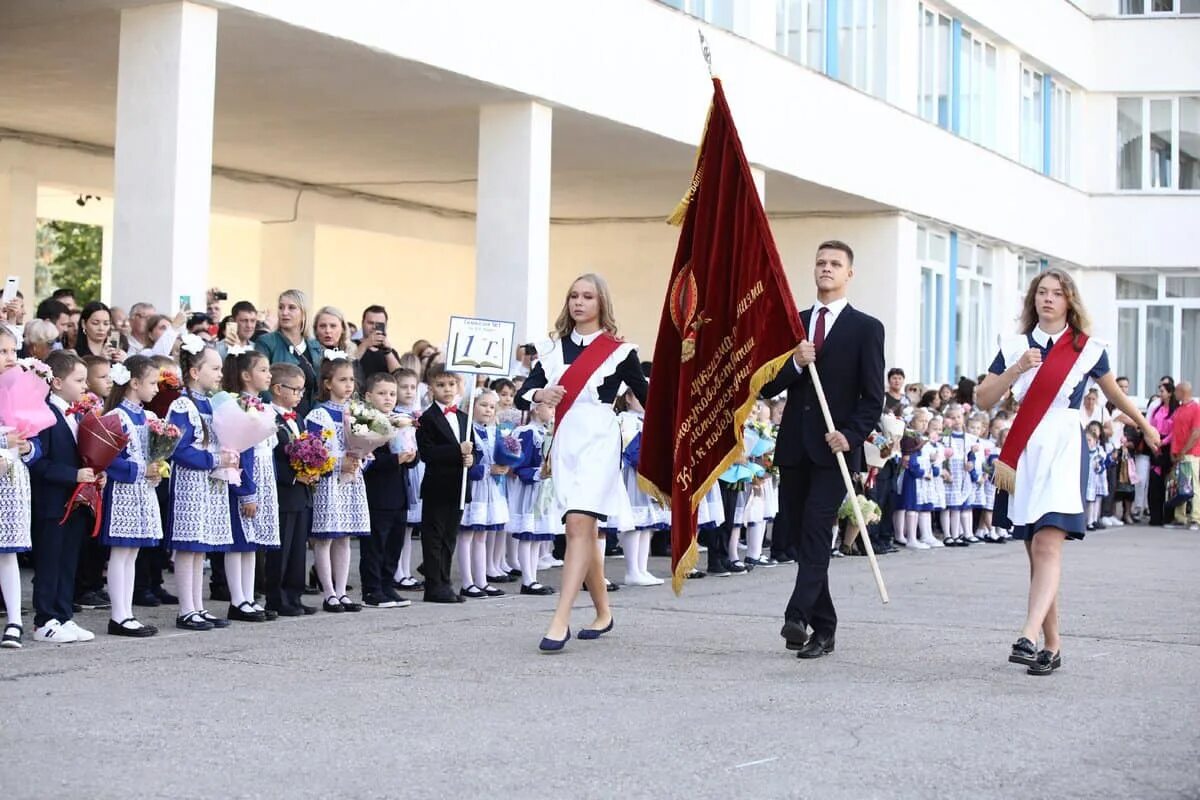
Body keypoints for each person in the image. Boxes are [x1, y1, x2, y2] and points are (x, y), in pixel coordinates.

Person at [976, 268, 1160, 676]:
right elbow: (984, 399)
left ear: (1069, 301)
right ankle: (1053, 645)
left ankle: (1027, 634)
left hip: (1063, 444)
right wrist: (1016, 370)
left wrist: (1144, 424)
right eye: (1042, 292)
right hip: (1023, 449)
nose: (1048, 299)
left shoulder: (1087, 348)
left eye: (1057, 294)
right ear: (1033, 299)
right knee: (1034, 551)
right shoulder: (1013, 346)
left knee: (1047, 546)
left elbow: (1114, 393)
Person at [760, 240, 885, 660]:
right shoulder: (794, 324)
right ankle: (825, 628)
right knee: (799, 537)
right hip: (795, 446)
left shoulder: (866, 328)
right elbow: (766, 383)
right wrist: (794, 362)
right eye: (820, 263)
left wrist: (850, 434)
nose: (826, 269)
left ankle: (797, 615)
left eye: (835, 264)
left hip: (835, 450)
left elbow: (873, 397)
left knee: (817, 529)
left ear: (849, 273)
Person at [515, 272, 648, 652]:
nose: (579, 302)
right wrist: (542, 392)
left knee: (578, 524)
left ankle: (560, 619)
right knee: (584, 533)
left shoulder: (621, 351)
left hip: (599, 444)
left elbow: (647, 395)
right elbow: (525, 393)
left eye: (588, 296)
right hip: (565, 444)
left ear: (601, 303)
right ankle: (603, 612)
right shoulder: (552, 348)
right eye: (574, 295)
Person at [168, 338, 239, 631]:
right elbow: (179, 448)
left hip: (210, 484)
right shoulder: (183, 404)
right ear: (195, 372)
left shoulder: (211, 403)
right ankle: (186, 609)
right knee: (189, 546)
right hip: (190, 484)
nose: (220, 374)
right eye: (215, 368)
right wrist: (214, 459)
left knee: (201, 547)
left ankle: (197, 605)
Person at [29, 351, 99, 643]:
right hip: (52, 502)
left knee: (69, 560)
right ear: (56, 382)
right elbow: (38, 463)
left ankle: (63, 614)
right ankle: (44, 619)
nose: (85, 385)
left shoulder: (77, 414)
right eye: (79, 380)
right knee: (50, 562)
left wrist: (95, 471)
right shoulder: (44, 414)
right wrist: (74, 475)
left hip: (76, 502)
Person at [98, 355, 164, 637]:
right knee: (121, 552)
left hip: (142, 491)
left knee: (132, 553)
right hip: (123, 492)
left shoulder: (148, 416)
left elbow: (153, 453)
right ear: (134, 383)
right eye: (152, 383)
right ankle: (118, 615)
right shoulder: (116, 417)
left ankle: (127, 613)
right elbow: (108, 460)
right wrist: (141, 468)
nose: (157, 389)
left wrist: (158, 469)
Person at [305, 355, 369, 613]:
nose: (349, 385)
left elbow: (366, 444)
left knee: (344, 537)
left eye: (351, 379)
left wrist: (362, 457)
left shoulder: (358, 412)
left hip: (351, 480)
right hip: (329, 483)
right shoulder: (319, 414)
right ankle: (328, 592)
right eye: (342, 380)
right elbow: (313, 452)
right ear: (328, 383)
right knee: (326, 538)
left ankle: (342, 591)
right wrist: (336, 463)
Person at [222, 348, 282, 622]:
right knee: (239, 542)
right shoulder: (238, 406)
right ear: (246, 375)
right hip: (245, 480)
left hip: (263, 479)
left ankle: (249, 597)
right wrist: (246, 491)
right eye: (263, 370)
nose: (268, 375)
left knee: (252, 543)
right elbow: (240, 450)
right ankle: (237, 599)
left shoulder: (264, 406)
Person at [415, 363, 481, 604]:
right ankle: (434, 586)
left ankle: (444, 580)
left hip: (459, 485)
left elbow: (473, 448)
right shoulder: (427, 418)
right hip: (437, 486)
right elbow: (427, 453)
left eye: (451, 384)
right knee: (434, 537)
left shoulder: (465, 417)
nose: (447, 389)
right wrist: (456, 450)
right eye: (441, 385)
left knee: (449, 537)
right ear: (431, 388)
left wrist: (472, 459)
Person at [264, 363, 316, 616]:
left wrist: (315, 467)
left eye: (301, 390)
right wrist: (295, 478)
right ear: (277, 388)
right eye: (294, 390)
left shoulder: (299, 419)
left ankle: (294, 595)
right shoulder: (268, 417)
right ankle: (277, 597)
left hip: (302, 493)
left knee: (297, 548)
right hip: (284, 491)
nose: (299, 395)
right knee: (281, 549)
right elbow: (272, 458)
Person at [359, 372, 415, 608]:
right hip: (377, 493)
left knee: (394, 542)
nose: (388, 398)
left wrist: (410, 455)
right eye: (382, 394)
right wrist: (396, 459)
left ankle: (387, 584)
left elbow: (411, 456)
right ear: (369, 396)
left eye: (392, 394)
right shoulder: (364, 421)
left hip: (399, 492)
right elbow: (367, 460)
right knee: (375, 544)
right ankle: (372, 590)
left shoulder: (401, 419)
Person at [0, 328, 41, 648]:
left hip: (11, 480)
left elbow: (35, 440)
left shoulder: (19, 389)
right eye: (2, 351)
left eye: (12, 351)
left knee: (7, 553)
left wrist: (27, 449)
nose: (9, 357)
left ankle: (14, 620)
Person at [507, 401, 557, 595]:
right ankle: (527, 580)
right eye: (550, 407)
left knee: (537, 537)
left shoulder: (548, 432)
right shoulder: (528, 432)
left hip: (544, 490)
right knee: (528, 536)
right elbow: (520, 465)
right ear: (537, 409)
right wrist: (539, 473)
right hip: (531, 489)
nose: (553, 412)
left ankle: (533, 577)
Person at [255, 290, 324, 417]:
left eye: (291, 308)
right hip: (276, 416)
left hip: (307, 418)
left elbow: (318, 388)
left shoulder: (315, 347)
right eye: (281, 307)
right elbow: (259, 380)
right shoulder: (267, 342)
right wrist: (277, 412)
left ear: (303, 313)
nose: (284, 312)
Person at [1165, 381, 1199, 530]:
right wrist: (1174, 452)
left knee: (1193, 486)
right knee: (1180, 486)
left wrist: (1184, 451)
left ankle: (1195, 518)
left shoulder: (1196, 408)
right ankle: (1180, 517)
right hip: (1179, 454)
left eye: (1176, 391)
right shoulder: (1179, 409)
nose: (1174, 394)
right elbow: (1175, 433)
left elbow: (1196, 432)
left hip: (1191, 454)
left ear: (1182, 391)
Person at [1147, 378, 1177, 526]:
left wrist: (1163, 442)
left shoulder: (1175, 410)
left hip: (1168, 446)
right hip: (1156, 445)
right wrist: (1154, 444)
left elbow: (1175, 430)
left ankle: (1168, 516)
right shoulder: (1157, 409)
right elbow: (1151, 426)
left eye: (1163, 391)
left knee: (1170, 484)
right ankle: (1155, 516)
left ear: (1170, 393)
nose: (1160, 394)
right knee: (1155, 483)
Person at [356, 306, 402, 379]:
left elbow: (400, 377)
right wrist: (365, 344)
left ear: (385, 326)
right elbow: (345, 366)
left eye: (379, 324)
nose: (374, 327)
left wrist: (388, 351)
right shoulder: (350, 345)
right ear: (362, 323)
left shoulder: (390, 352)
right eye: (370, 323)